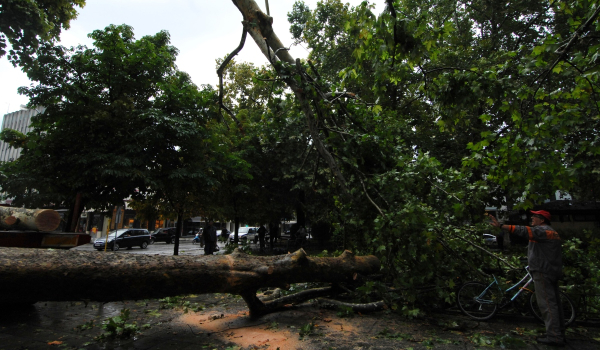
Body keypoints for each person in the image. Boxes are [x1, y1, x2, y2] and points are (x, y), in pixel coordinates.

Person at [490, 210, 565, 347]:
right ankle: (558, 332)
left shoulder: (541, 231)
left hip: (543, 272)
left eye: (535, 216)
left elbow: (523, 231)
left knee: (547, 304)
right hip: (552, 271)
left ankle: (554, 336)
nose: (532, 218)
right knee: (555, 303)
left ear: (542, 220)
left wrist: (501, 226)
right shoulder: (552, 232)